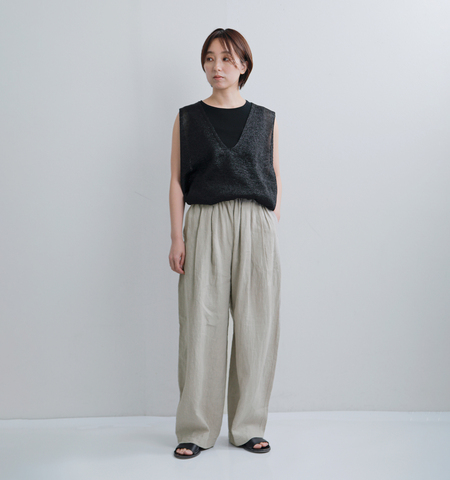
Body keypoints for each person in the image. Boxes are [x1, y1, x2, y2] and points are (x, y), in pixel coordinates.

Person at [168, 27, 282, 459]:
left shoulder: (266, 119)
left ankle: (248, 426)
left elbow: (274, 174)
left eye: (227, 58)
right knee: (201, 326)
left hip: (255, 224)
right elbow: (176, 181)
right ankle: (196, 429)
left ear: (244, 65)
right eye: (210, 58)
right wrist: (177, 236)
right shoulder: (188, 119)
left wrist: (268, 223)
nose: (217, 66)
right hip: (205, 223)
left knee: (257, 326)